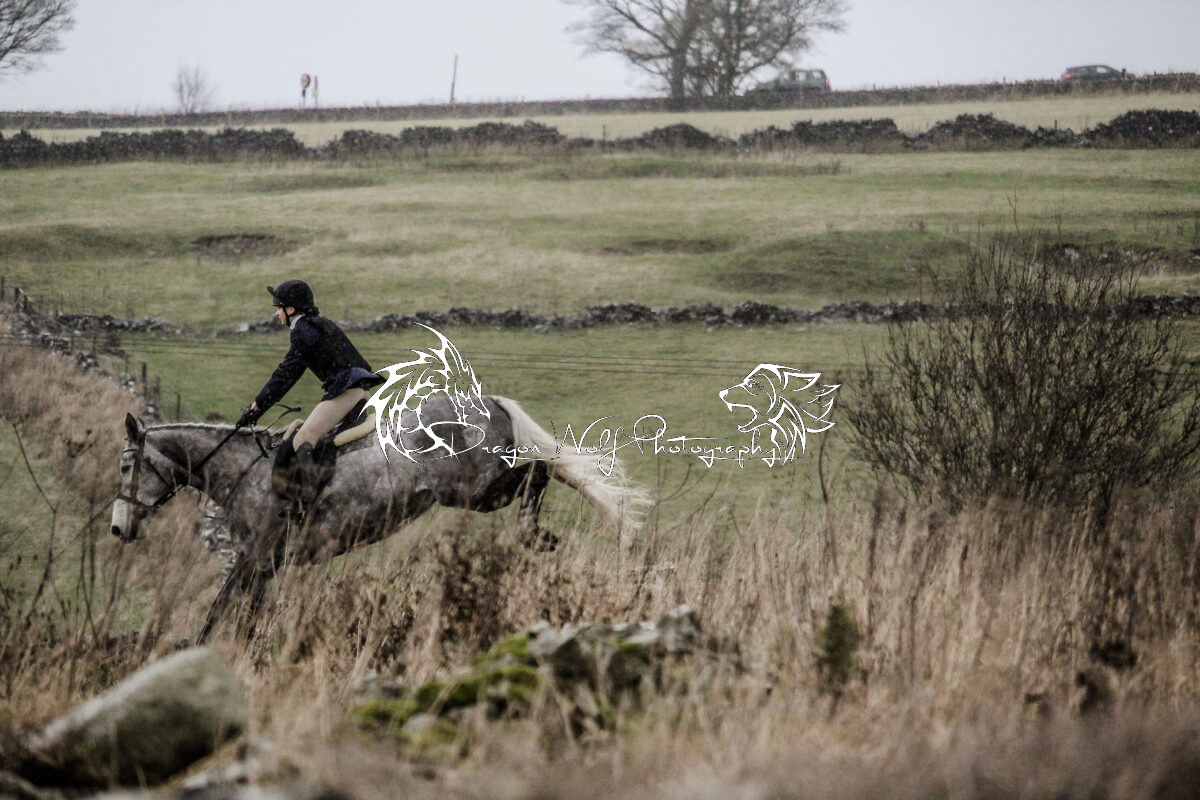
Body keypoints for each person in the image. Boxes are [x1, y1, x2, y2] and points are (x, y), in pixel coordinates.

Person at [238, 280, 384, 502]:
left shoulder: (302, 331)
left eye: (279, 308)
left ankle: (313, 502)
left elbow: (285, 375)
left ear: (291, 309)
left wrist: (257, 407)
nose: (277, 314)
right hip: (360, 391)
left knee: (302, 439)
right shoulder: (318, 324)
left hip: (348, 392)